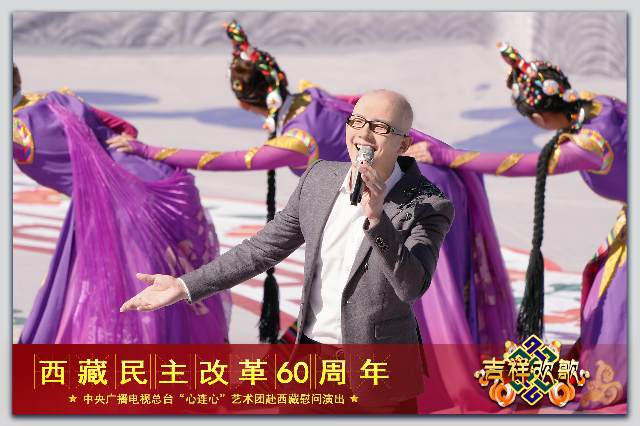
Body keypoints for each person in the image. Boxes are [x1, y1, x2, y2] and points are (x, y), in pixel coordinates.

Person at [109, 20, 517, 353]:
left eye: (378, 128)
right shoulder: (318, 174)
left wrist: (378, 218)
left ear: (403, 143)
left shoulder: (425, 203)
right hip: (314, 357)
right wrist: (183, 285)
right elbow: (261, 249)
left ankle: (453, 377)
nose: (363, 135)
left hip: (378, 368)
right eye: (357, 123)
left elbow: (411, 286)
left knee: (436, 307)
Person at [405, 42, 627, 410]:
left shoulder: (592, 143)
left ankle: (612, 382)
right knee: (605, 297)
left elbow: (522, 163)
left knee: (616, 307)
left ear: (538, 117)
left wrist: (448, 155)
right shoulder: (597, 106)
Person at [13, 64, 230, 344]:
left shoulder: (14, 132)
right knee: (168, 280)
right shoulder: (59, 98)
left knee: (124, 289)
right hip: (157, 179)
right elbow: (126, 129)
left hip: (115, 203)